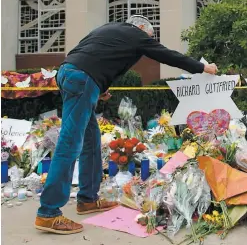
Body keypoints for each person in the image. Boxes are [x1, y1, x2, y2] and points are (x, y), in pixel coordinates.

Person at [35, 15, 218, 234]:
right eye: (149, 37)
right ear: (142, 28)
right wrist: (202, 68)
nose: (147, 42)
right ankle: (48, 212)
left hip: (69, 74)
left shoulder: (109, 29)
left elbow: (93, 56)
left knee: (91, 140)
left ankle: (87, 198)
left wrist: (98, 88)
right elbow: (169, 56)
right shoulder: (137, 35)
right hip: (82, 79)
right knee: (70, 143)